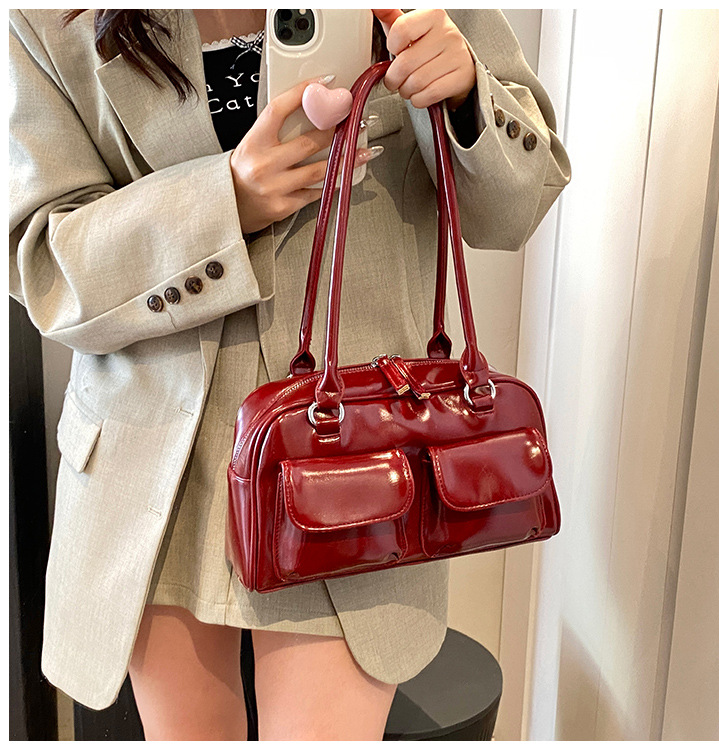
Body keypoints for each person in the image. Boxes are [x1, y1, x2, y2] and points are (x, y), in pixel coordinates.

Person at [9, 8, 571, 741]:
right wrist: (223, 202)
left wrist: (465, 90)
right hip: (154, 464)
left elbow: (517, 206)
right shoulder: (46, 18)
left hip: (353, 460)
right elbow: (42, 262)